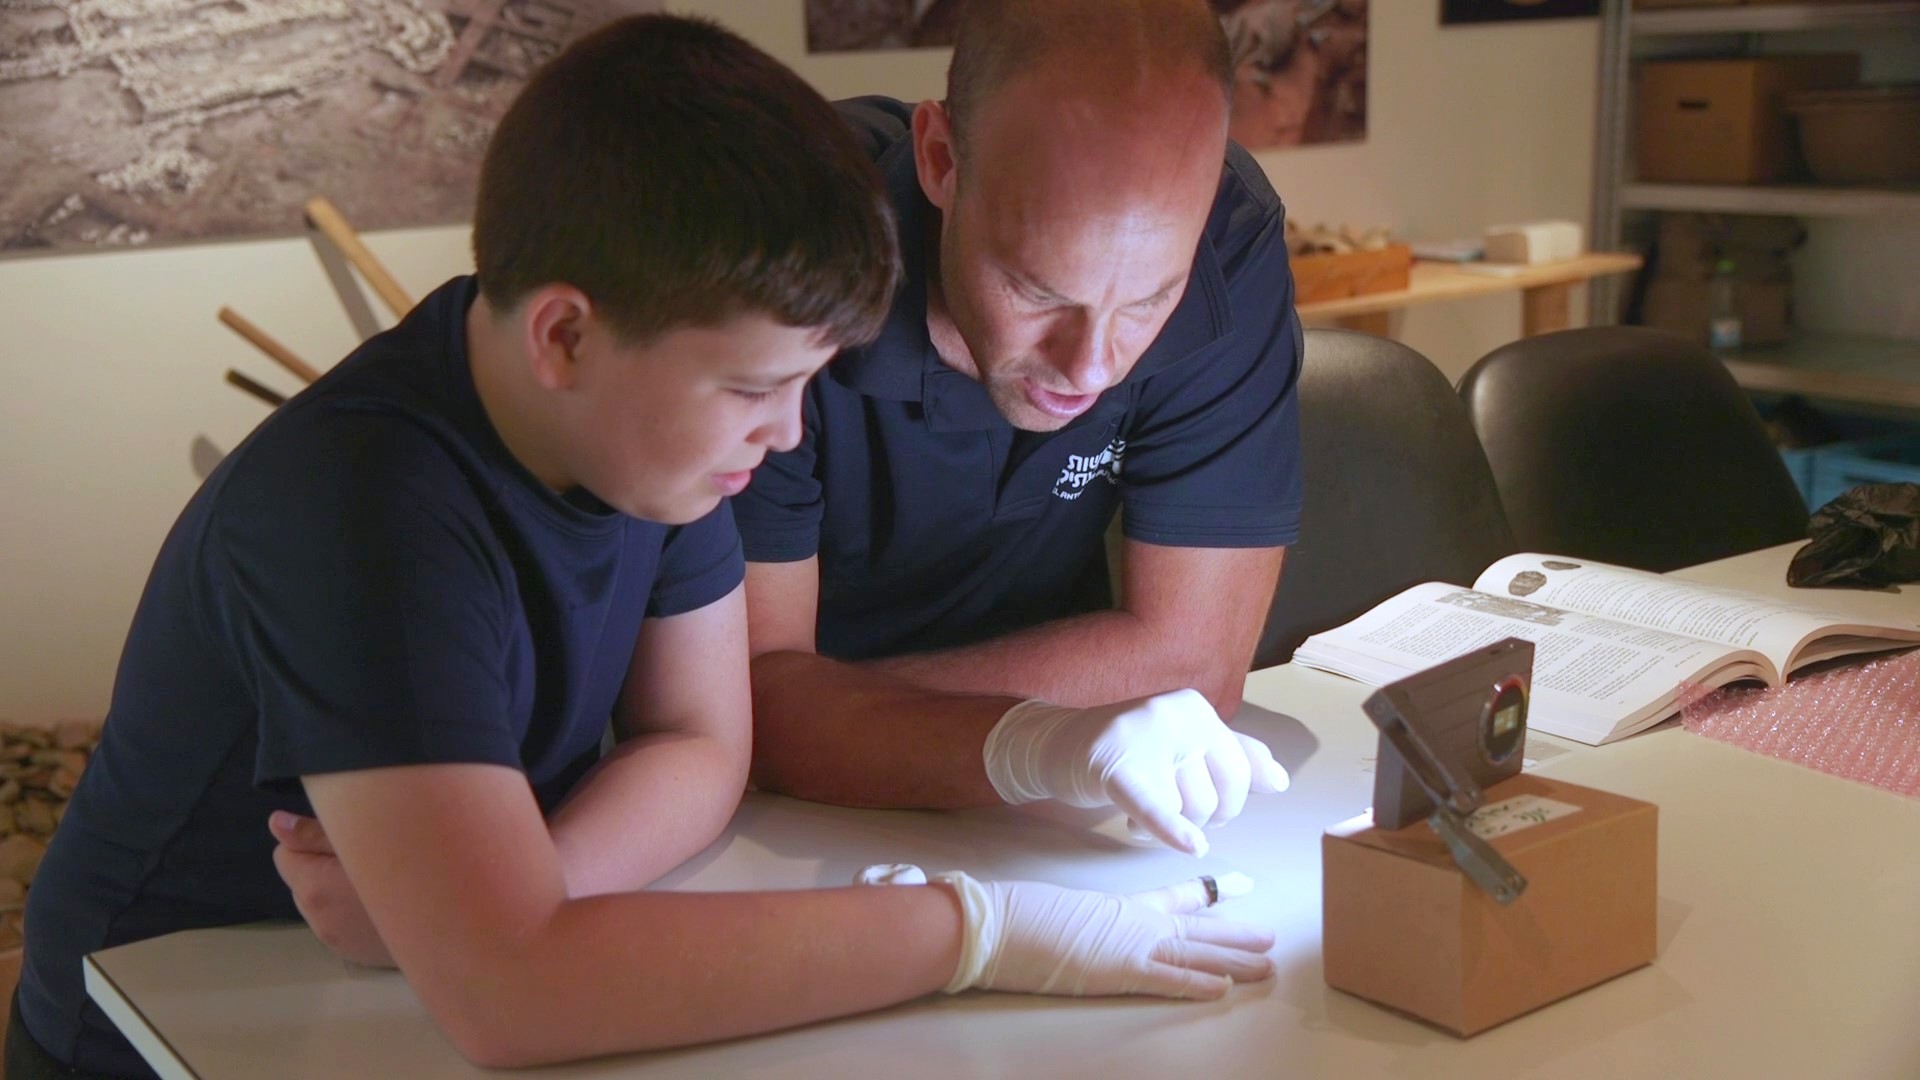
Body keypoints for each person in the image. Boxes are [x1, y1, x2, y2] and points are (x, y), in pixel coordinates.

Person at [11, 16, 1275, 1079]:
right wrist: (976, 932)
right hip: (169, 1015)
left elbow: (702, 746)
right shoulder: (366, 509)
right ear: (565, 335)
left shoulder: (638, 442)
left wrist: (505, 904)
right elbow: (515, 1002)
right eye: (754, 391)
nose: (789, 438)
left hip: (395, 977)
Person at [738, 0, 1305, 854]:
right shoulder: (775, 246)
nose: (1091, 368)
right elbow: (747, 710)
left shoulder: (1228, 239)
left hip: (1050, 816)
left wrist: (840, 716)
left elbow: (1191, 666)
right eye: (1040, 292)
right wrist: (1037, 738)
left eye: (1152, 298)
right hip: (766, 830)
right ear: (939, 160)